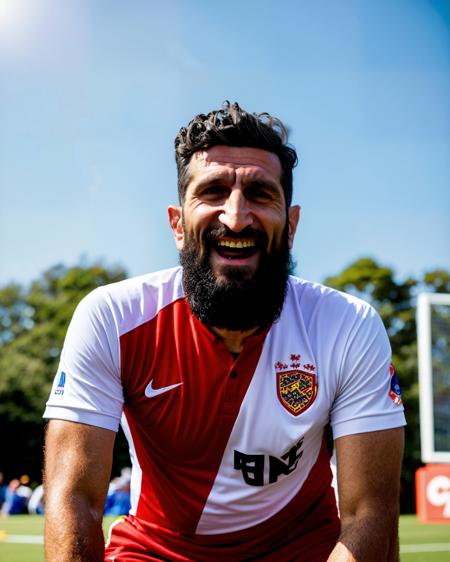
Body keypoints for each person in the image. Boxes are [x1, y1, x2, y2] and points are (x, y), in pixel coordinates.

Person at [43, 101, 406, 561]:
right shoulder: (112, 318)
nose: (235, 217)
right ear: (177, 224)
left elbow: (369, 515)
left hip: (302, 551)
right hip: (160, 551)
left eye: (260, 194)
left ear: (290, 226)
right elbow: (74, 500)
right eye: (213, 191)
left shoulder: (348, 326)